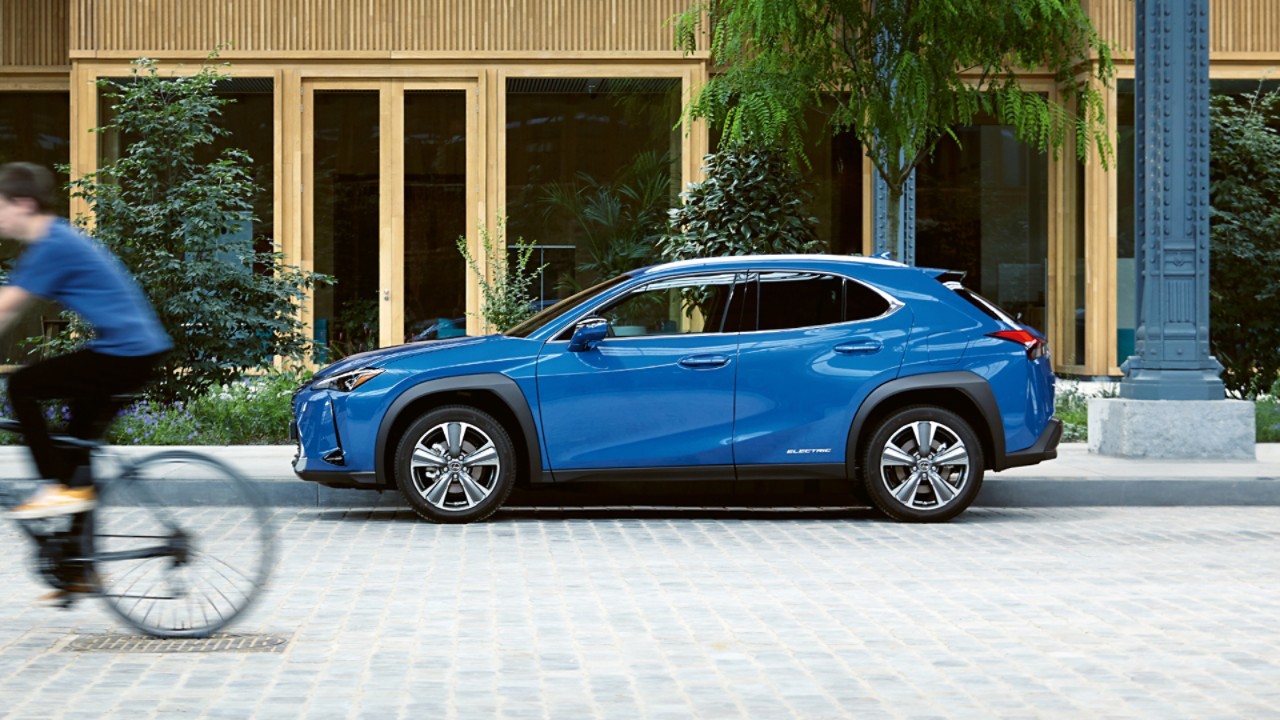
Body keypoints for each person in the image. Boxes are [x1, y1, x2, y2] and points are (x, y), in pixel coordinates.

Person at [0, 162, 172, 521]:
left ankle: (55, 486)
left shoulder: (50, 245)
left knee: (22, 385)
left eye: (2, 206)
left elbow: (6, 309)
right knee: (74, 451)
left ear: (24, 204)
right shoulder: (58, 237)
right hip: (136, 351)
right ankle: (77, 568)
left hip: (124, 354)